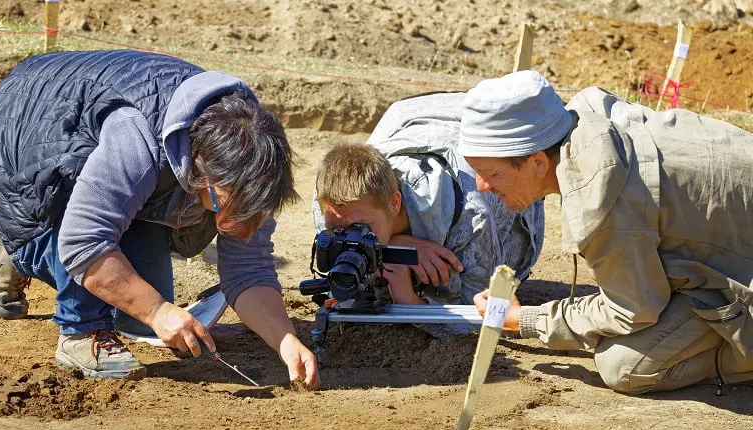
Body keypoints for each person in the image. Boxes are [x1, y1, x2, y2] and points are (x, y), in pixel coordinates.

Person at [0, 49, 319, 388]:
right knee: (117, 285)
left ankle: (23, 243)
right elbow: (84, 242)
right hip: (25, 133)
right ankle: (78, 326)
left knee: (137, 314)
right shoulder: (136, 138)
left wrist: (284, 340)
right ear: (202, 172)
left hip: (105, 141)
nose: (234, 228)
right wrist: (156, 311)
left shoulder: (256, 162)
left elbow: (248, 269)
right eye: (223, 206)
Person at [465, 70, 753, 394]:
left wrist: (524, 319)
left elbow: (632, 311)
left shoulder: (604, 196)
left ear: (537, 163)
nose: (482, 186)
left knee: (624, 365)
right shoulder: (592, 125)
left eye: (490, 173)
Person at [312, 92, 545, 336]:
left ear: (394, 203)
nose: (348, 238)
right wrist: (397, 245)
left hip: (488, 133)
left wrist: (409, 301)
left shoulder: (471, 219)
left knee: (452, 281)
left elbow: (482, 319)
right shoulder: (334, 209)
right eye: (337, 230)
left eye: (362, 228)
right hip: (412, 116)